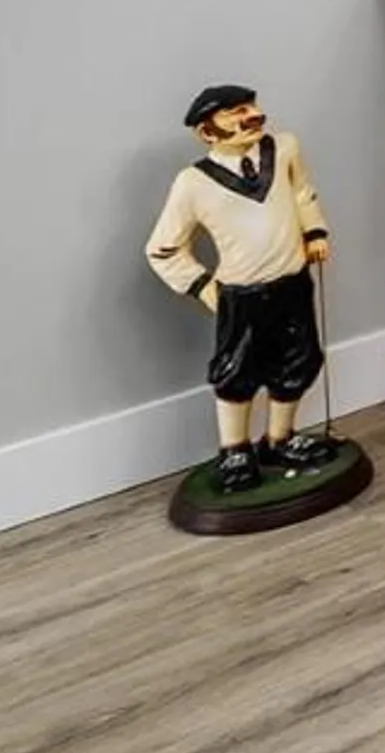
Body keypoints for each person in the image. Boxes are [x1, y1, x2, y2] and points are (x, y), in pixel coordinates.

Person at [144, 84, 337, 492]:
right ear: (206, 132)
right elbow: (162, 249)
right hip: (243, 294)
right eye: (233, 113)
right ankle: (235, 450)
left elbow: (302, 191)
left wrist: (314, 229)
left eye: (249, 107)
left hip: (293, 281)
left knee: (298, 360)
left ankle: (279, 439)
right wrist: (203, 287)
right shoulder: (193, 183)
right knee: (237, 372)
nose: (249, 117)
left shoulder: (283, 149)